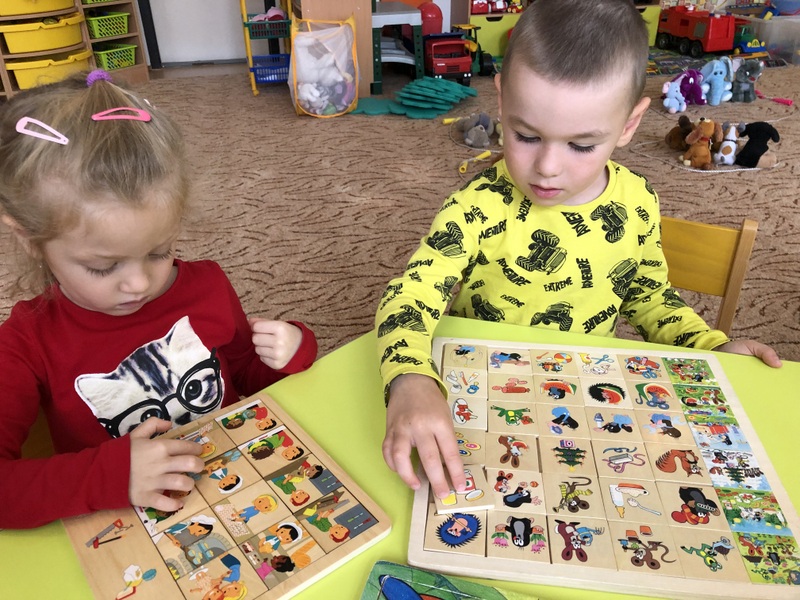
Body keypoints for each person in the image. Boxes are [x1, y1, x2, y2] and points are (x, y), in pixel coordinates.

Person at [374, 0, 781, 500]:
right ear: (501, 100)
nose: (547, 167)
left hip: (584, 400)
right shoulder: (476, 205)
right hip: (478, 392)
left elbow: (651, 299)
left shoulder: (637, 201)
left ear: (629, 124)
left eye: (582, 145)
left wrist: (711, 348)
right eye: (526, 135)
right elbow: (409, 297)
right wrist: (409, 378)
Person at [0, 71, 318, 529]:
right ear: (29, 239)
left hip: (236, 493)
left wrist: (289, 353)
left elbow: (243, 373)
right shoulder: (26, 343)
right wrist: (112, 474)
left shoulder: (205, 285)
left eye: (158, 251)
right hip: (124, 530)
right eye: (103, 267)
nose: (138, 284)